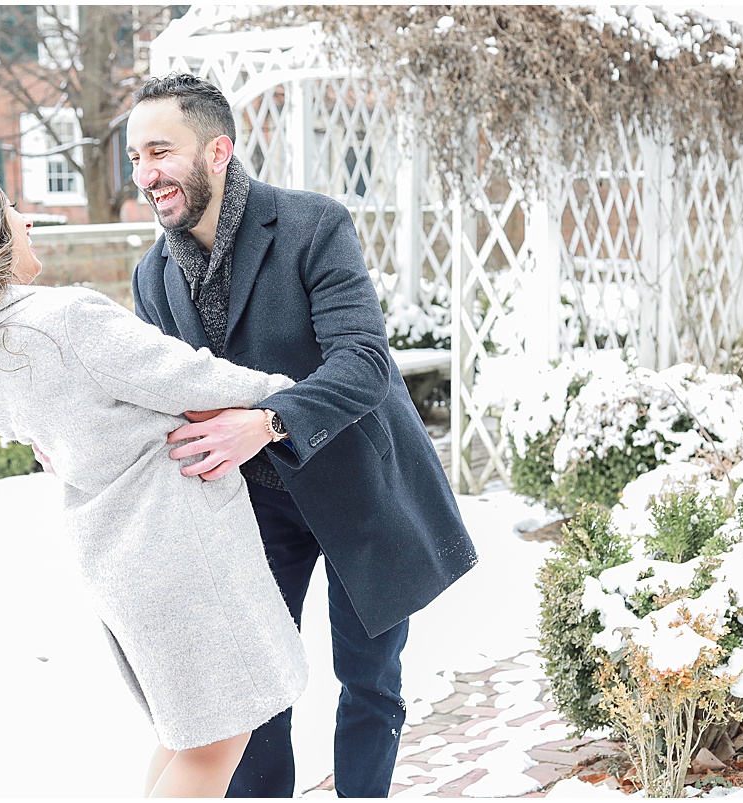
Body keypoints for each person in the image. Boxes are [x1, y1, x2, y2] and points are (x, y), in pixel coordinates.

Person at [0, 166, 310, 797]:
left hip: (121, 560)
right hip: (181, 557)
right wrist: (300, 400)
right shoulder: (64, 320)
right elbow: (196, 380)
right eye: (11, 209)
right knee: (214, 747)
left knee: (190, 737)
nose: (27, 219)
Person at [126, 74, 480, 797]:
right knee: (252, 694)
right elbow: (154, 390)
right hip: (250, 510)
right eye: (135, 157)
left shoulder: (314, 223)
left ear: (217, 149)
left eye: (160, 151)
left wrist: (267, 421)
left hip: (358, 485)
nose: (145, 174)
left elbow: (365, 361)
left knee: (371, 683)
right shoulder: (151, 276)